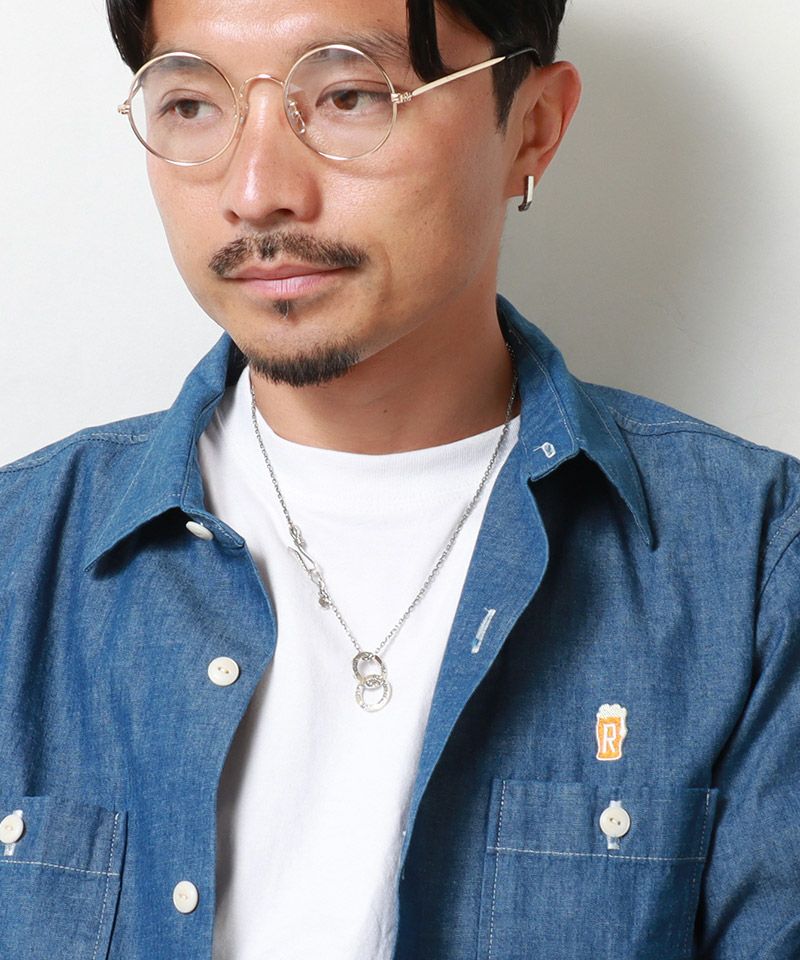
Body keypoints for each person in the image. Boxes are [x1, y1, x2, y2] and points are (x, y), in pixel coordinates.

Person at [1, 0, 798, 957]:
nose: (255, 192)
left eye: (348, 95)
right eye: (191, 105)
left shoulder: (757, 567)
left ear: (532, 127)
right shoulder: (18, 556)